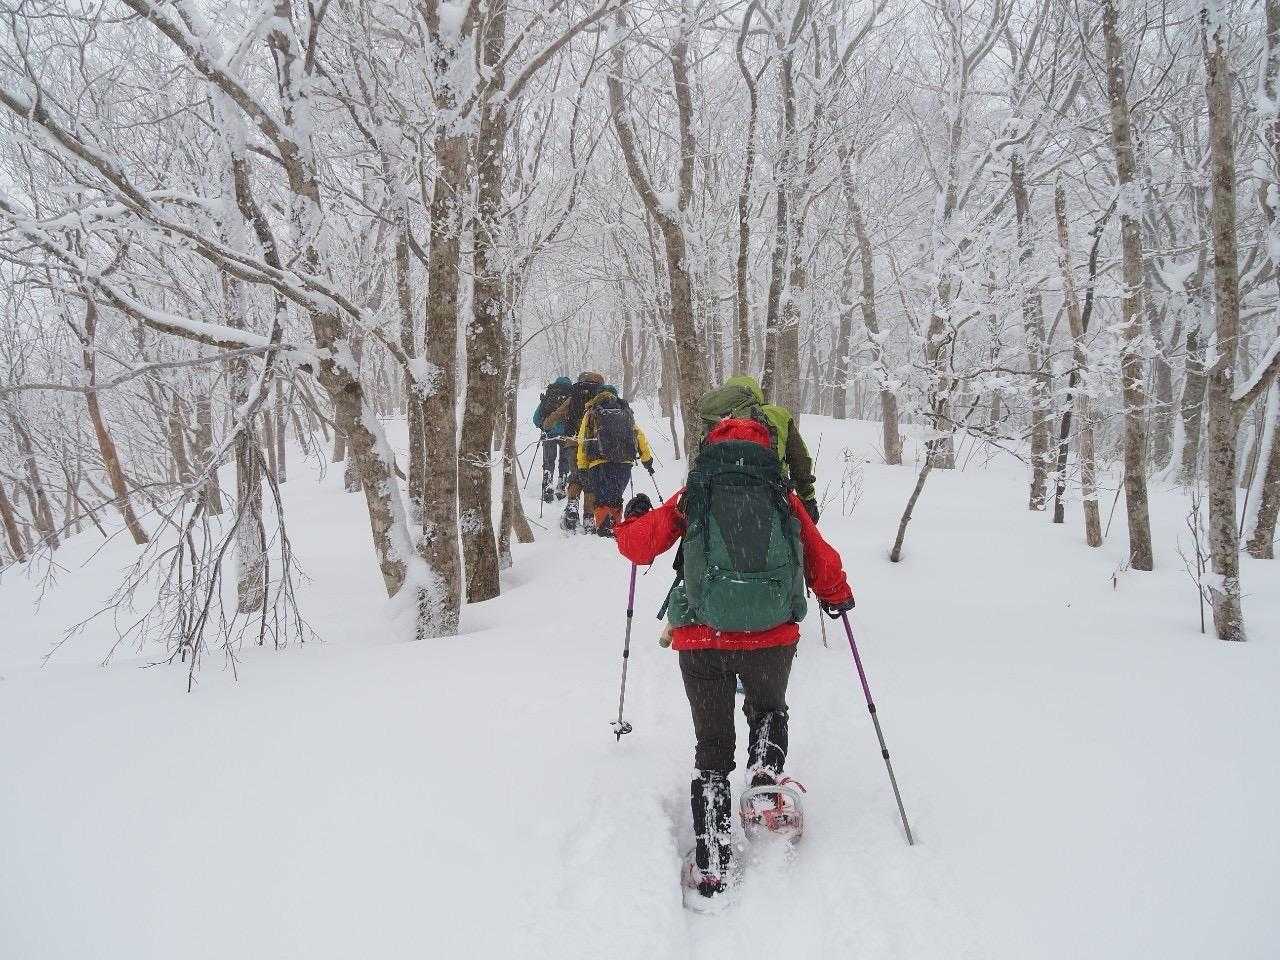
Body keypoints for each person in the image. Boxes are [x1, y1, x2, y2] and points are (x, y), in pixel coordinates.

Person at [613, 417, 854, 904]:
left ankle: (713, 864)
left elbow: (638, 548)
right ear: (767, 450)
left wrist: (632, 519)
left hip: (703, 639)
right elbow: (820, 557)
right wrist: (837, 594)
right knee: (768, 709)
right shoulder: (780, 495)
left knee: (712, 745)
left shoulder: (695, 495)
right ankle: (764, 778)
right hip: (772, 637)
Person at [696, 374, 820, 523]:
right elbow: (800, 461)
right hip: (770, 498)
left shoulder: (712, 421)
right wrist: (807, 498)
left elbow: (702, 462)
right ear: (756, 394)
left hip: (718, 501)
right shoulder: (777, 415)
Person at [575, 385, 654, 537]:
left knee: (601, 498)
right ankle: (616, 529)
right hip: (624, 463)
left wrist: (582, 466)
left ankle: (603, 530)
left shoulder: (592, 412)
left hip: (599, 462)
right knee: (616, 496)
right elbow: (638, 435)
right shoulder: (624, 411)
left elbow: (583, 441)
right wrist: (647, 460)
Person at [551, 372, 605, 532]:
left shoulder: (574, 394)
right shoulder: (600, 397)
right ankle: (588, 517)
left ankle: (572, 505)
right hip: (593, 444)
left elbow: (558, 413)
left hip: (573, 441)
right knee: (590, 480)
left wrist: (546, 424)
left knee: (575, 475)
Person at [531, 376, 576, 502]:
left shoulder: (549, 395)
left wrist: (543, 426)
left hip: (549, 434)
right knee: (565, 461)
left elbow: (536, 418)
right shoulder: (573, 398)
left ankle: (547, 485)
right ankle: (562, 485)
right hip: (566, 435)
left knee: (549, 460)